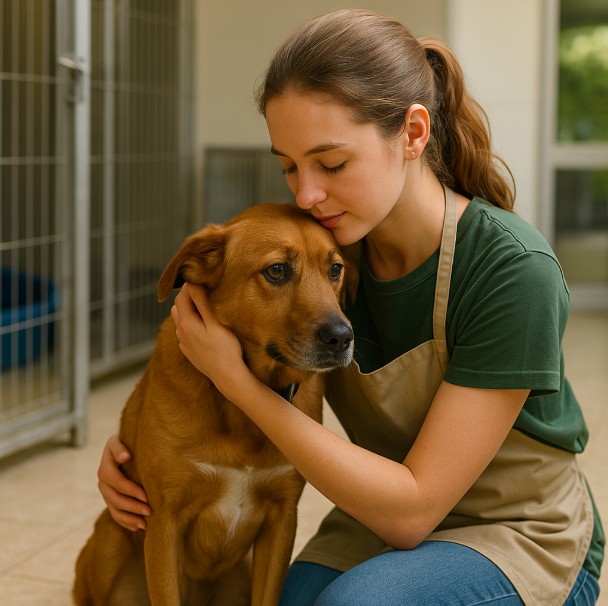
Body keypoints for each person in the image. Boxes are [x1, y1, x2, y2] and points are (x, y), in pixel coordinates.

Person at [97, 9, 604, 605]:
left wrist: (237, 384)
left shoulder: (512, 271)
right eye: (289, 166)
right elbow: (199, 352)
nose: (306, 194)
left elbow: (413, 512)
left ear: (414, 135)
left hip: (516, 533)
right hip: (379, 511)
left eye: (331, 164)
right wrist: (139, 454)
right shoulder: (328, 254)